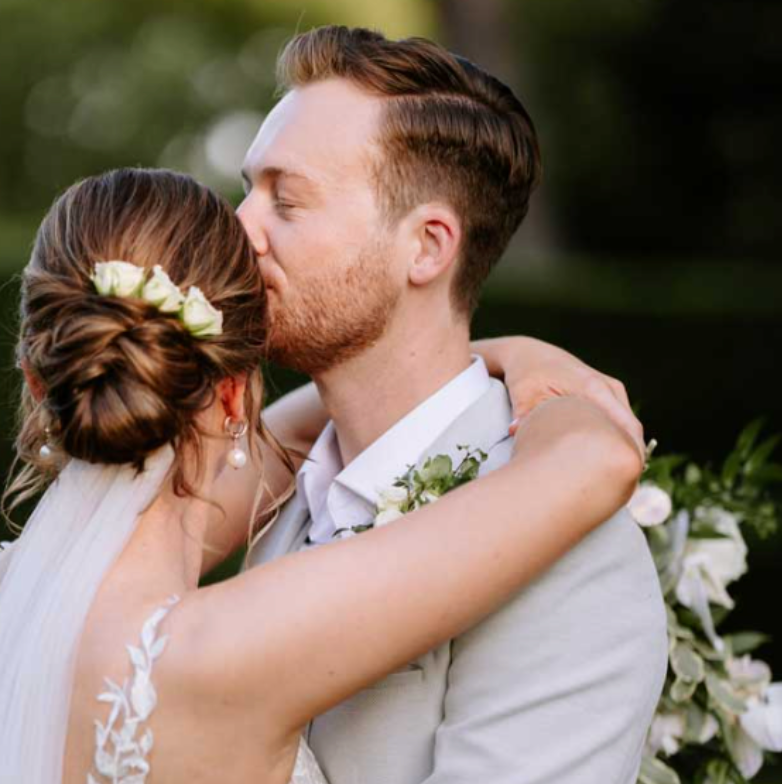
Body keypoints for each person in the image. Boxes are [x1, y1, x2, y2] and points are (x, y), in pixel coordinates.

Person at [0, 166, 649, 784]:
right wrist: (532, 361)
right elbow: (598, 461)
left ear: (34, 376)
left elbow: (285, 429)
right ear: (236, 392)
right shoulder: (234, 646)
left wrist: (491, 354)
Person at [237, 25, 667, 784]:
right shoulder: (280, 495)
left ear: (428, 248)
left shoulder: (569, 551)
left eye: (287, 200)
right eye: (248, 190)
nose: (239, 229)